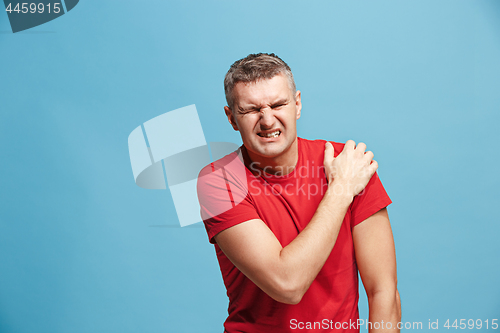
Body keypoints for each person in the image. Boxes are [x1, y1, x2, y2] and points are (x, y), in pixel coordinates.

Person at [197, 53, 401, 333]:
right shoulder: (218, 182)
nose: (267, 120)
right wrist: (341, 190)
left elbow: (383, 291)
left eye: (279, 104)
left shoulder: (350, 162)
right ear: (231, 118)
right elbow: (287, 284)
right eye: (250, 110)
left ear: (297, 104)